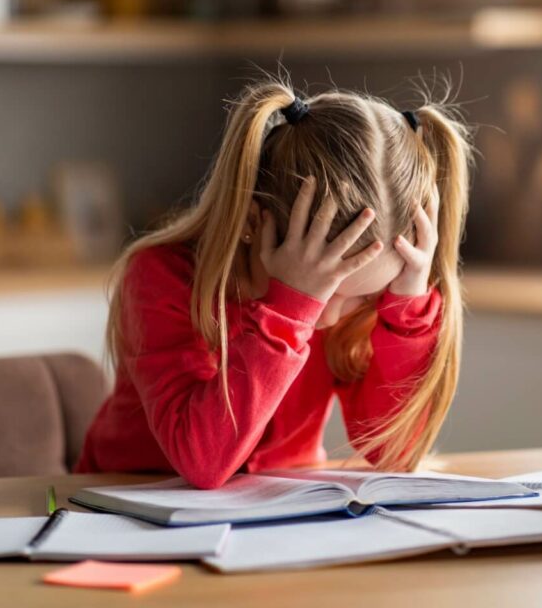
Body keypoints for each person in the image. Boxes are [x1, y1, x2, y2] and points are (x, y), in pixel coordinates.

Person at [76, 78, 472, 489]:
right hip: (120, 508)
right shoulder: (161, 276)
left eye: (366, 296)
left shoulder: (366, 301)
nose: (329, 317)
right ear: (252, 222)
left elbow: (395, 453)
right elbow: (202, 463)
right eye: (323, 291)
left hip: (270, 519)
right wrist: (289, 310)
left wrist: (407, 309)